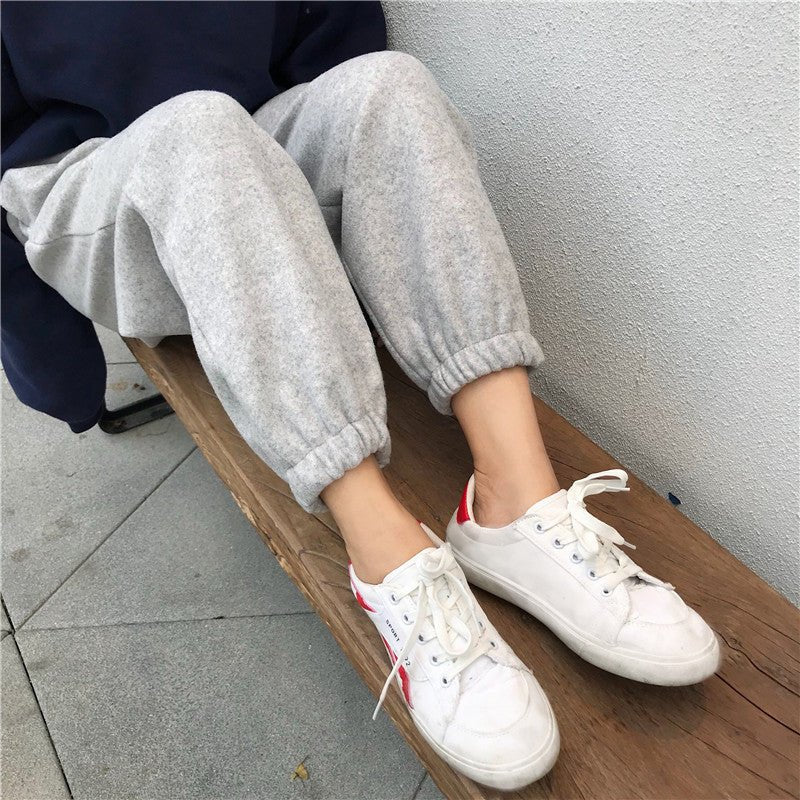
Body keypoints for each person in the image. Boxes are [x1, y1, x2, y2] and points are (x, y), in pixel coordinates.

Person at [0, 2, 720, 790]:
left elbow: (331, 48)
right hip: (86, 181)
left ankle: (513, 501)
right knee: (196, 131)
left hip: (241, 138)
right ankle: (385, 556)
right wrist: (59, 373)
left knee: (387, 87)